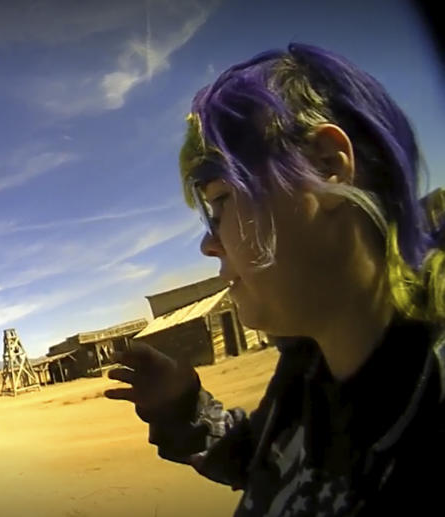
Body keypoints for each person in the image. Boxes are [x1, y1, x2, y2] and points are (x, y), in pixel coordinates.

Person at [106, 43, 445, 516]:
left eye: (221, 199)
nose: (208, 244)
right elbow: (264, 465)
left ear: (326, 165)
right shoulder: (309, 373)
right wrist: (184, 408)